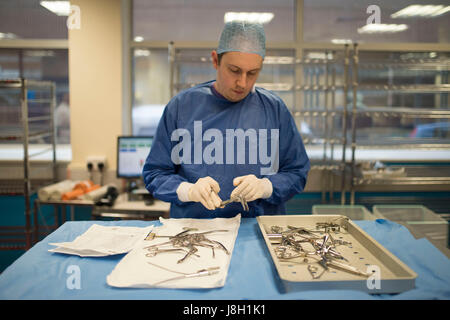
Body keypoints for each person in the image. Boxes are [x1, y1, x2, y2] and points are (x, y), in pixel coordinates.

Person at [143, 21, 310, 218]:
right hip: (195, 234)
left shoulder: (274, 110)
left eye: (252, 73)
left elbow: (297, 172)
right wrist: (188, 190)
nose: (243, 82)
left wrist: (266, 186)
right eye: (235, 70)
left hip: (258, 231)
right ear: (215, 60)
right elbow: (155, 174)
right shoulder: (181, 107)